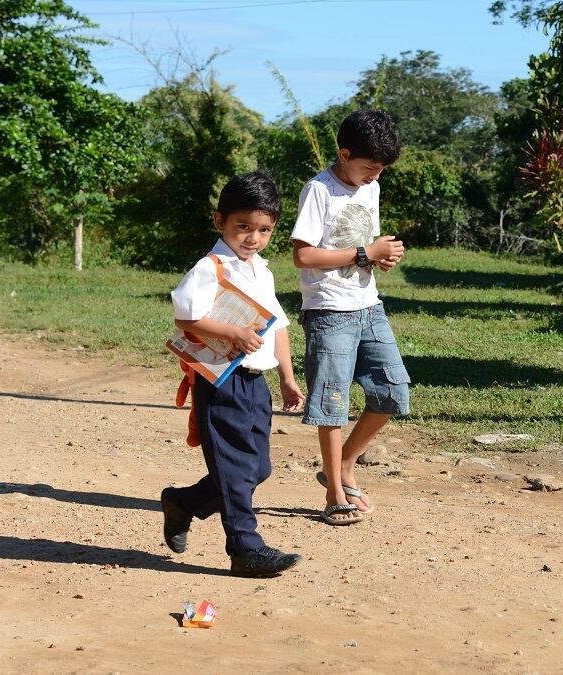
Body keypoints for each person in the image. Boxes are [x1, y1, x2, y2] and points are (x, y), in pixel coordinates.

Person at [160, 171, 306, 578]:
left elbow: (276, 324)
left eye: (264, 230)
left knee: (257, 468)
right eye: (243, 227)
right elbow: (186, 316)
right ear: (219, 221)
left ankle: (184, 502)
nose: (253, 238)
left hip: (254, 383)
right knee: (236, 468)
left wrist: (287, 378)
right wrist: (232, 333)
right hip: (220, 380)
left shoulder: (261, 269)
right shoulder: (211, 268)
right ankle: (245, 549)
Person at [290, 109, 410, 526]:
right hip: (328, 311)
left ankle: (341, 465)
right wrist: (364, 254)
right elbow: (302, 255)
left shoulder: (369, 188)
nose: (375, 176)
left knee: (393, 392)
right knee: (333, 403)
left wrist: (381, 257)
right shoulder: (319, 191)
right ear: (344, 153)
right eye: (369, 167)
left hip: (368, 305)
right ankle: (335, 495)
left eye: (380, 170)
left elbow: (364, 246)